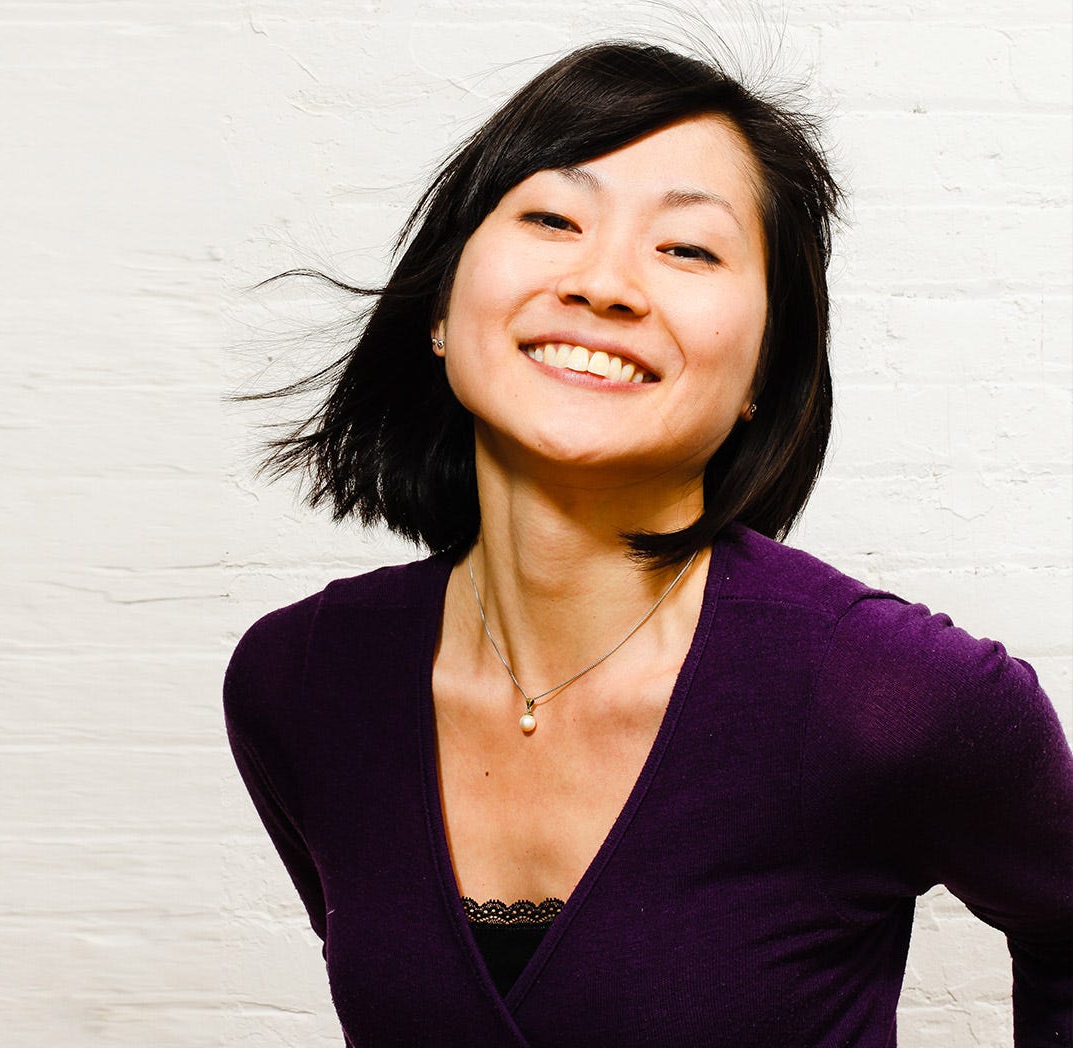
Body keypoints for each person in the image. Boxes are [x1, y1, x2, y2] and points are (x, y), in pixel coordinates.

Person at [223, 40, 1073, 1046]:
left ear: (764, 371)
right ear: (443, 306)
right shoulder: (301, 681)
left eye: (687, 250)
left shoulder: (890, 693)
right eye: (552, 219)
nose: (603, 282)